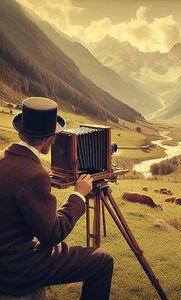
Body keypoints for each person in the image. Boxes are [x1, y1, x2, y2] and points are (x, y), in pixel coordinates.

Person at [0, 97, 114, 299]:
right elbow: (52, 235)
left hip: (6, 256)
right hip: (17, 269)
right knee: (102, 260)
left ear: (21, 130)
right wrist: (78, 195)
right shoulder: (34, 174)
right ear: (49, 139)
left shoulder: (3, 157)